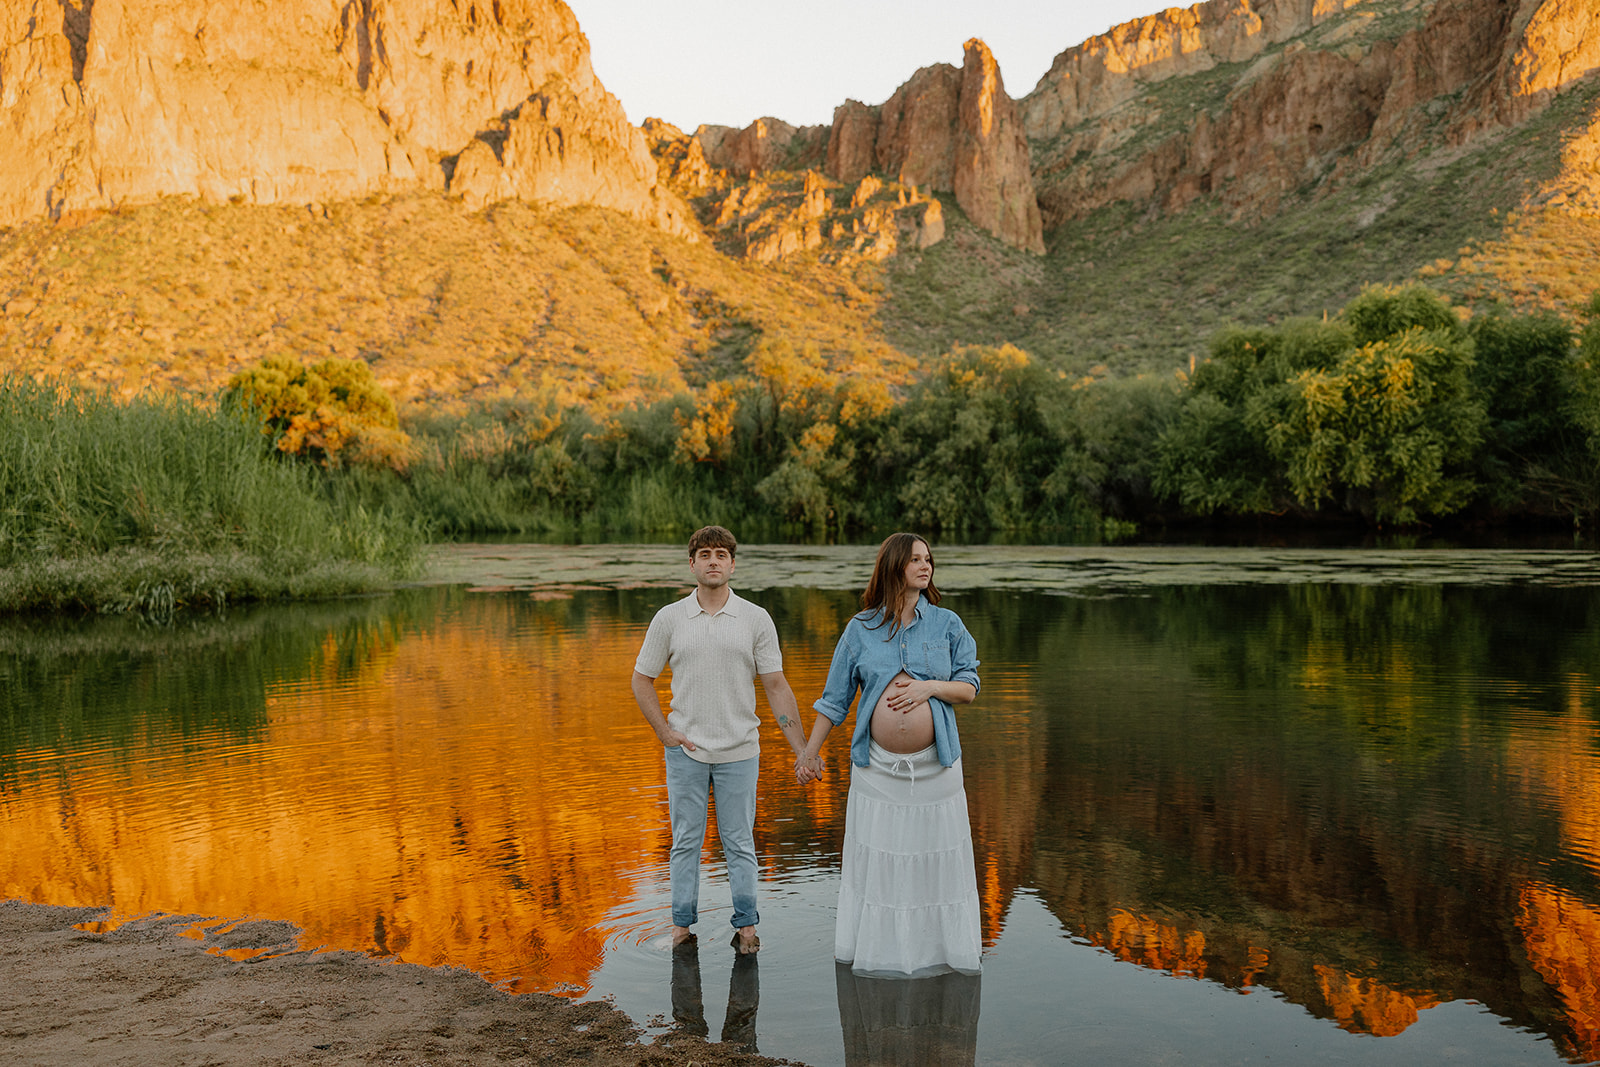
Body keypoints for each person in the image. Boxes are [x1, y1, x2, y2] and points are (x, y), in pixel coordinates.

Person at [797, 532, 982, 976]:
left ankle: (939, 955)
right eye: (915, 559)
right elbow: (833, 700)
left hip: (936, 770)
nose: (925, 566)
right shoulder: (860, 628)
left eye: (929, 559)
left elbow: (970, 687)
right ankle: (883, 956)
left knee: (934, 861)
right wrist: (808, 753)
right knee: (882, 861)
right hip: (877, 772)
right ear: (894, 565)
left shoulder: (948, 624)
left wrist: (930, 687)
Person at [632, 525, 809, 954]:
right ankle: (680, 930)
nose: (714, 561)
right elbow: (641, 680)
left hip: (740, 752)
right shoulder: (669, 618)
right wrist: (665, 733)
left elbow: (776, 685)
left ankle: (747, 931)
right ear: (692, 564)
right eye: (705, 554)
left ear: (733, 564)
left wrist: (803, 749)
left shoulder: (755, 618)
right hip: (686, 753)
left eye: (721, 555)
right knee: (685, 843)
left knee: (740, 842)